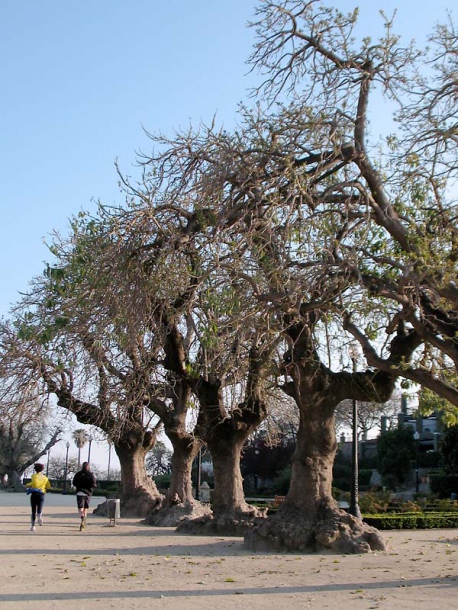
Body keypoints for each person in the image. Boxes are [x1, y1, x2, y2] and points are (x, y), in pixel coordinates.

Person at [25, 463, 51, 531]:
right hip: (41, 494)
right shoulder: (45, 478)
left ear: (35, 469)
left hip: (34, 494)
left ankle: (33, 526)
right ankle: (39, 516)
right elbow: (48, 486)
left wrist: (27, 485)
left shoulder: (34, 476)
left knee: (33, 510)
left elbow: (33, 483)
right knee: (40, 508)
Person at [72, 462, 96, 531]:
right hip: (88, 493)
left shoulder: (78, 474)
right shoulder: (91, 475)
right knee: (86, 508)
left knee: (80, 508)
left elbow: (74, 483)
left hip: (80, 492)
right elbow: (94, 484)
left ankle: (82, 517)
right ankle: (84, 521)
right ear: (88, 467)